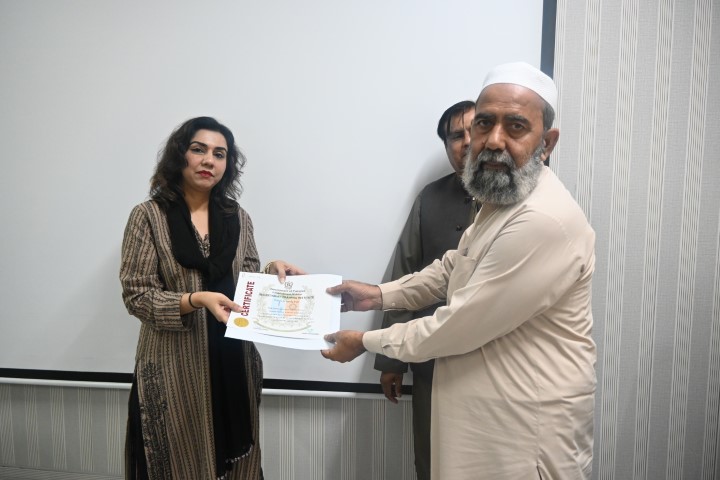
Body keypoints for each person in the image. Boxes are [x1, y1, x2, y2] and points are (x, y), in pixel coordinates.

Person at [322, 62, 596, 479]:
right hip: (484, 417)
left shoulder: (542, 218)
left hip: (525, 430)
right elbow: (453, 266)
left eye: (516, 126)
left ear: (547, 142)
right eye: (484, 123)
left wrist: (365, 340)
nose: (493, 140)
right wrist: (377, 295)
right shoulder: (503, 198)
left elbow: (458, 325)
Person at [120, 116, 301, 479]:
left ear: (227, 165)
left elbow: (247, 283)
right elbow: (137, 295)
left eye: (219, 154)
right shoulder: (148, 216)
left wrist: (273, 272)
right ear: (180, 156)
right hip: (173, 368)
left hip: (234, 361)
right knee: (178, 463)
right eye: (198, 149)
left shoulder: (237, 217)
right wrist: (194, 300)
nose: (209, 160)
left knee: (237, 464)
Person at [374, 100, 478, 480]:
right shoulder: (430, 199)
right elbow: (405, 273)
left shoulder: (515, 200)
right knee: (432, 462)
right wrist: (392, 361)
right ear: (447, 146)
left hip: (494, 364)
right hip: (432, 360)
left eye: (475, 130)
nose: (467, 142)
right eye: (455, 136)